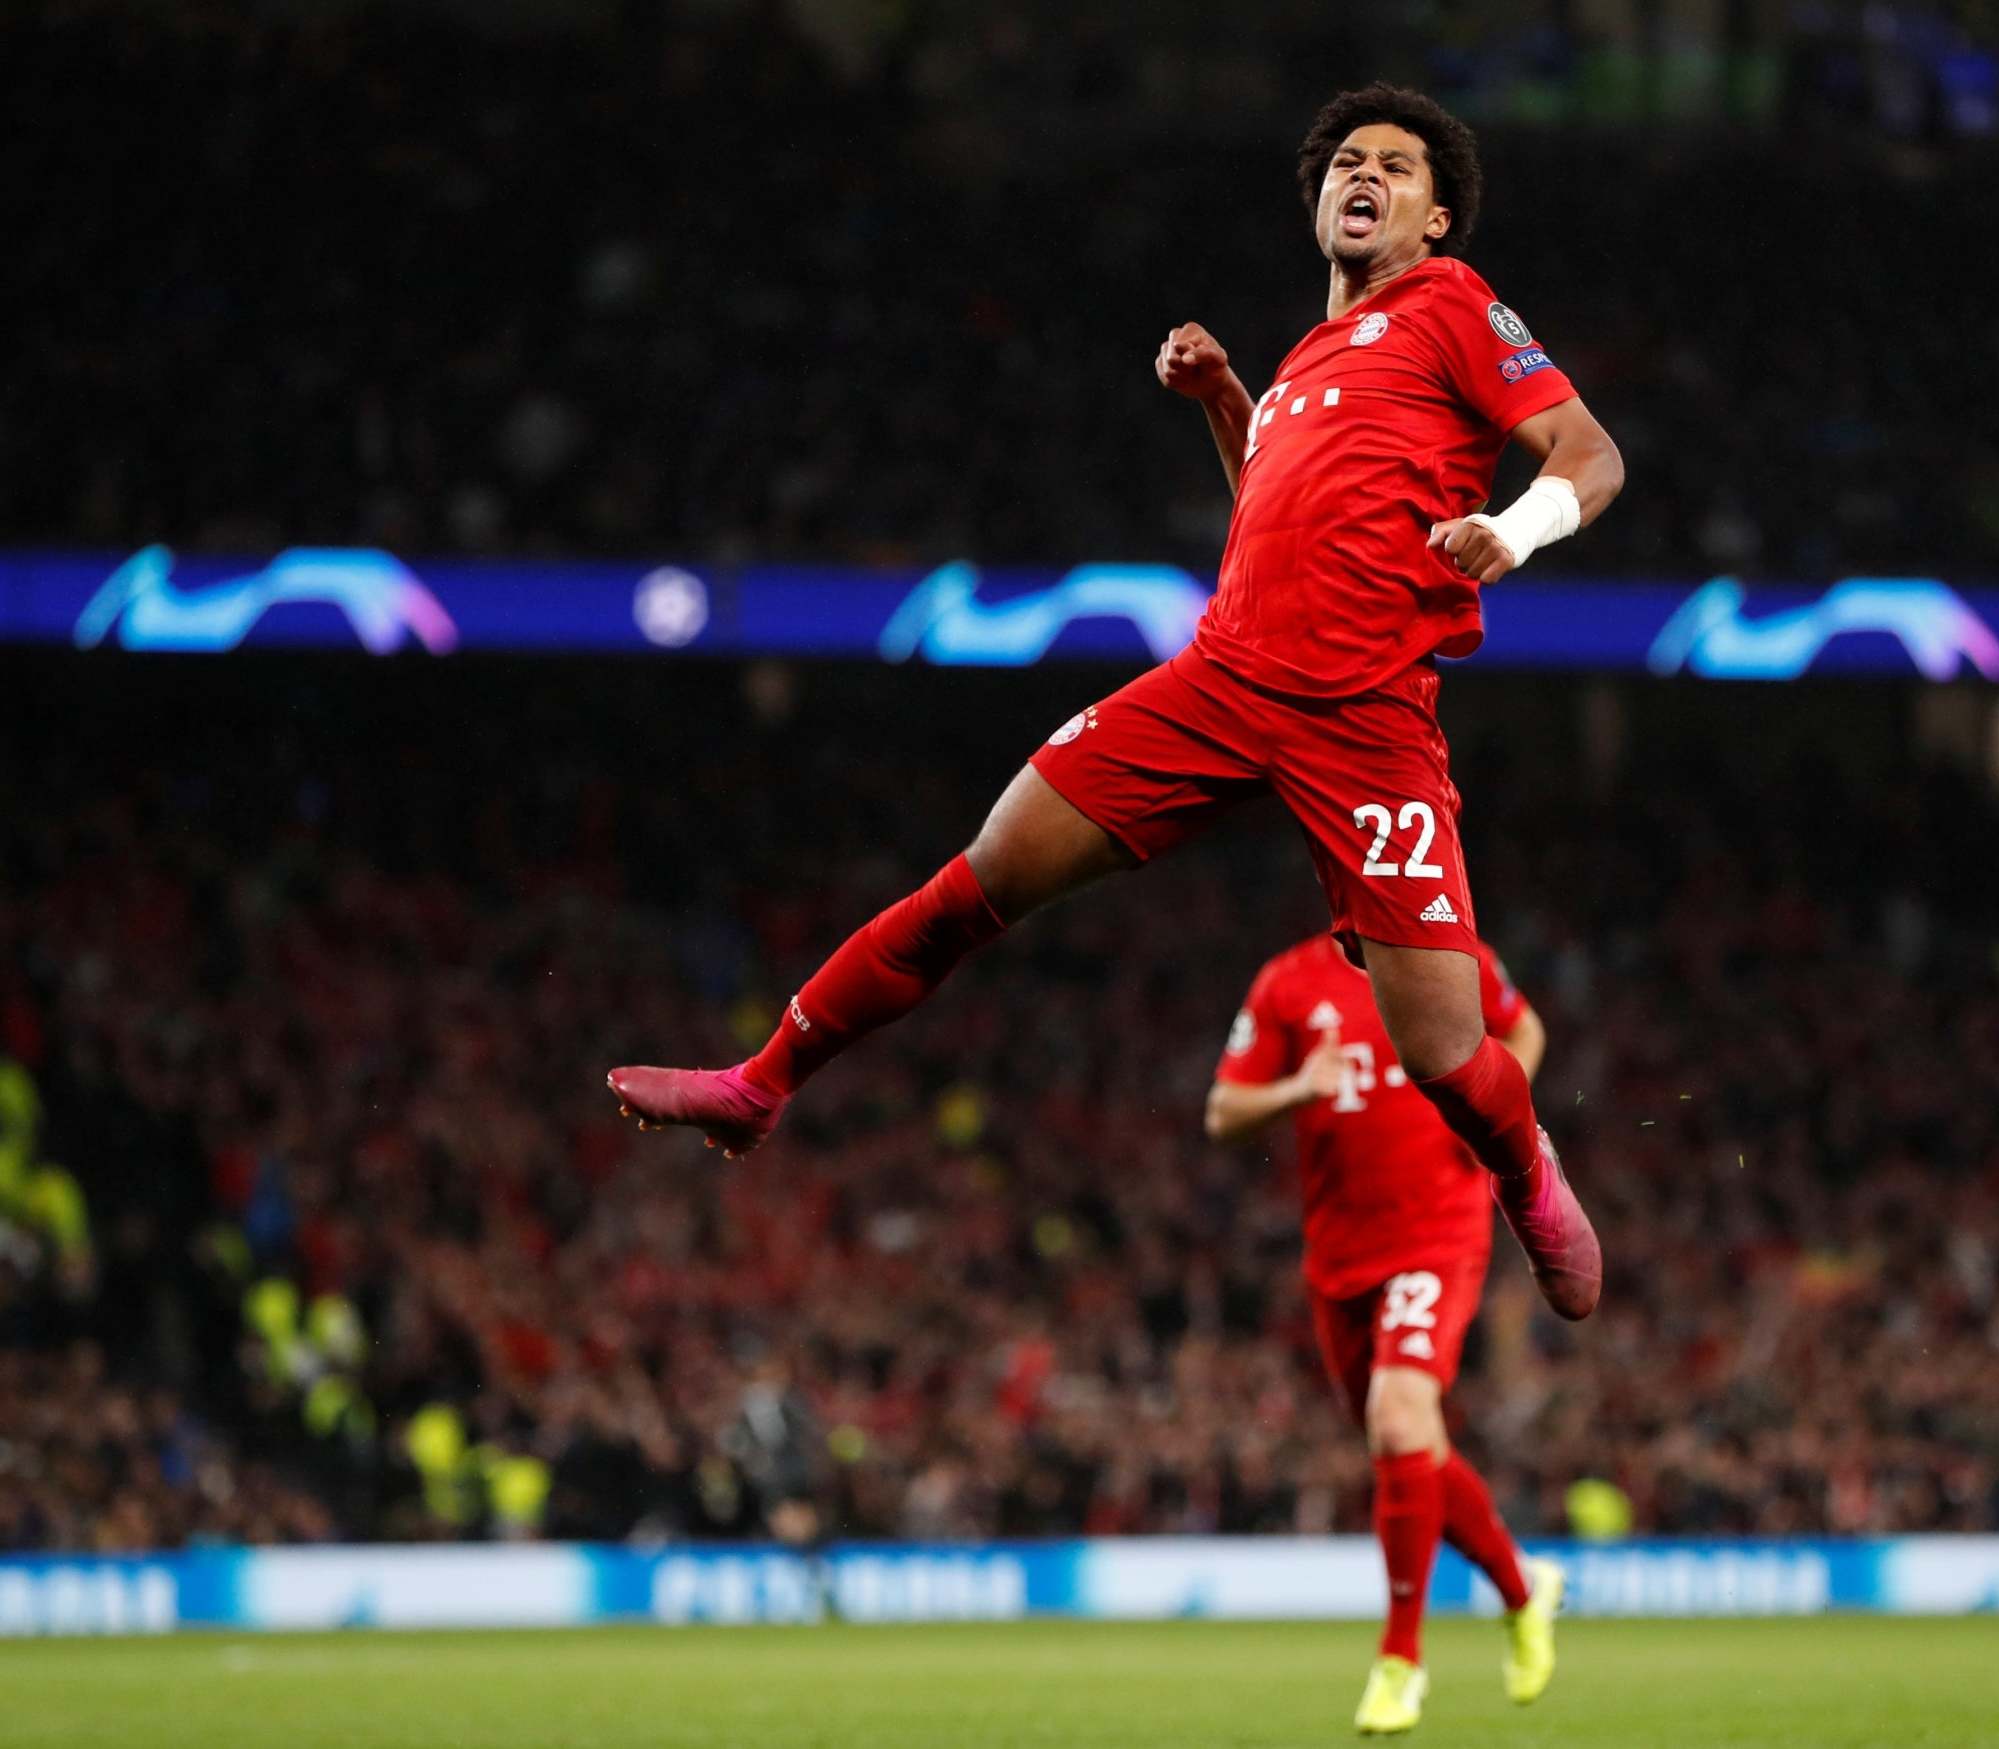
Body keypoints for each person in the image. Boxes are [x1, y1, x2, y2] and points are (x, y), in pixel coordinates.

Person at [610, 82, 1620, 1320]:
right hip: (1221, 679)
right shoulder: (1305, 362)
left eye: (1395, 168)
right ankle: (764, 1081)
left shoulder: (1453, 305)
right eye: (1345, 160)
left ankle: (1528, 1173)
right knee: (981, 877)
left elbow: (1591, 454)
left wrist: (1508, 535)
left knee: (1449, 1061)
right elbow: (1269, 501)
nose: (1362, 175)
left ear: (1436, 218)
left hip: (1365, 718)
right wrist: (1220, 400)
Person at [1207, 932, 1564, 1734]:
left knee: (1398, 1417)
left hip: (1438, 1229)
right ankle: (1519, 1587)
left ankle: (1400, 1659)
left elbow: (1525, 1030)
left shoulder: (1448, 951)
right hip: (1338, 1260)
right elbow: (1222, 1110)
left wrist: (1492, 1124)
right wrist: (1298, 1086)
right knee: (1409, 1448)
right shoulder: (1285, 981)